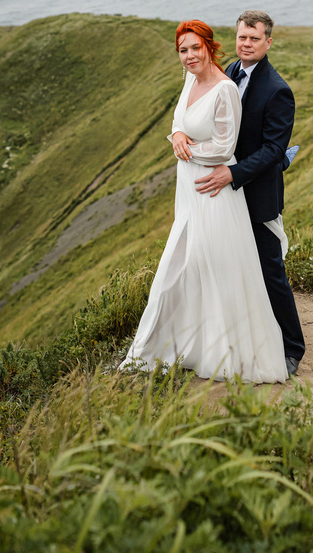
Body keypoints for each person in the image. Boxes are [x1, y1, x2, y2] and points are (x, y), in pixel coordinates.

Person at [121, 19, 288, 381]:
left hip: (214, 190)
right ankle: (186, 343)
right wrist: (177, 135)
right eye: (183, 50)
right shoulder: (193, 78)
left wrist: (188, 151)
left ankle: (244, 350)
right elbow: (180, 120)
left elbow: (226, 148)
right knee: (190, 266)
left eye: (196, 47)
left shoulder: (235, 87)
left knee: (222, 269)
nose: (189, 55)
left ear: (209, 46)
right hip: (189, 192)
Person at [193, 10, 304, 375]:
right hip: (227, 194)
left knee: (270, 270)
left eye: (255, 39)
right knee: (234, 267)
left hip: (257, 194)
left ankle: (292, 347)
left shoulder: (277, 90)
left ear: (268, 42)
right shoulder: (230, 70)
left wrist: (233, 172)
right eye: (242, 37)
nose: (247, 44)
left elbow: (273, 150)